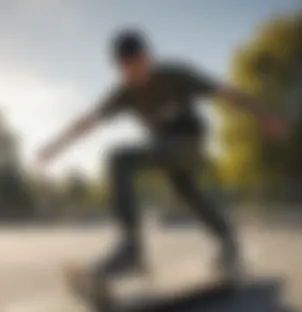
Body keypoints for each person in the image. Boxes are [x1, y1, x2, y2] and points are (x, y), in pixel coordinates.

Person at [37, 29, 286, 283]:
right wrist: (55, 147)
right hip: (165, 150)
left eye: (137, 64)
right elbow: (88, 120)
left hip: (190, 143)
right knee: (185, 193)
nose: (134, 73)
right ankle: (228, 241)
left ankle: (131, 250)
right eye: (126, 68)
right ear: (119, 68)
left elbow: (223, 92)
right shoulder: (124, 93)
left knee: (119, 159)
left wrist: (263, 113)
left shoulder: (176, 75)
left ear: (148, 57)